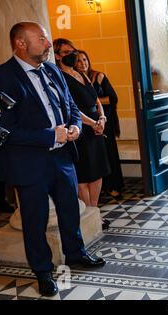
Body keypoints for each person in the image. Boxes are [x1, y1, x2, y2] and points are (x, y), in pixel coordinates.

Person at [0, 22, 106, 297]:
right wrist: (49, 135)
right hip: (28, 163)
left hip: (63, 157)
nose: (47, 43)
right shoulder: (0, 77)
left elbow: (70, 107)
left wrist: (76, 125)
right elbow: (3, 129)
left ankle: (76, 253)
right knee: (34, 219)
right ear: (20, 43)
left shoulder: (53, 70)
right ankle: (43, 271)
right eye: (41, 38)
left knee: (69, 209)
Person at [53, 39, 111, 230]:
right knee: (85, 175)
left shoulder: (80, 74)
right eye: (67, 52)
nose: (72, 54)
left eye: (73, 50)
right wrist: (93, 123)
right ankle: (88, 215)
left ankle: (94, 212)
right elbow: (72, 108)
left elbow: (96, 99)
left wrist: (102, 118)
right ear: (57, 55)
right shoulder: (60, 77)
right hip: (80, 129)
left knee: (98, 171)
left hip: (96, 127)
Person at [75, 50, 124, 198]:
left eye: (84, 59)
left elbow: (112, 98)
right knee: (92, 158)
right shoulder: (74, 79)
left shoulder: (98, 76)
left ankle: (113, 186)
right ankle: (98, 188)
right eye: (78, 61)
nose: (82, 63)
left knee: (109, 154)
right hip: (86, 123)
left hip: (103, 120)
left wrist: (91, 104)